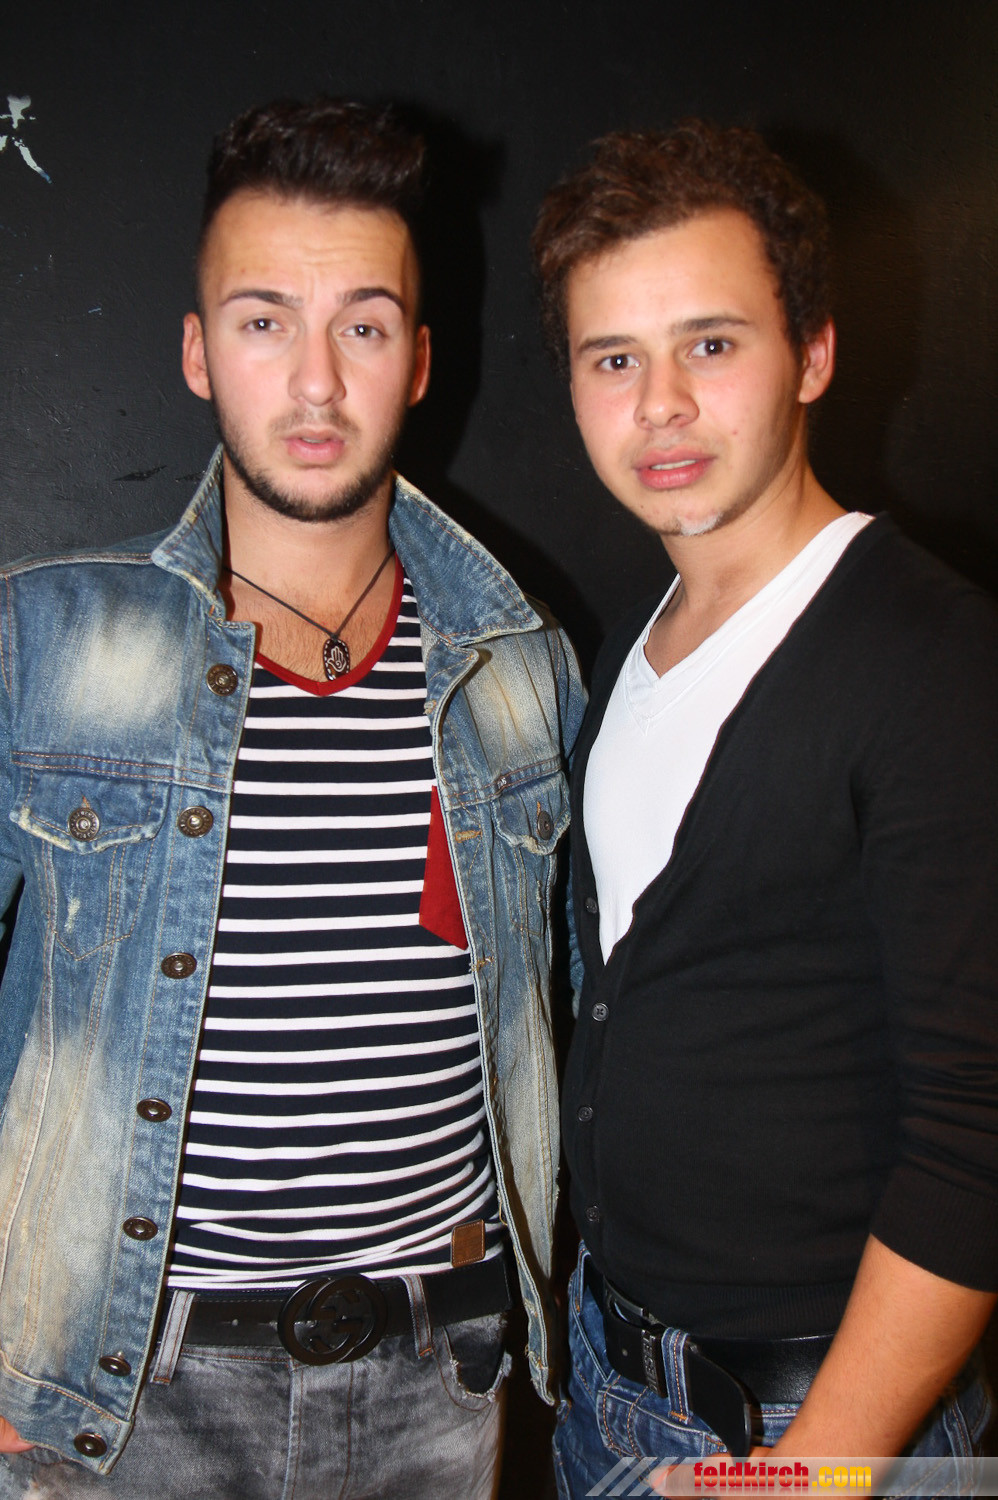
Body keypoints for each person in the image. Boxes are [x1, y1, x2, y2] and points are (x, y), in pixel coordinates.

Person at [0, 97, 585, 1498]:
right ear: (198, 353)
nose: (316, 382)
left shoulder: (521, 669)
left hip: (438, 1387)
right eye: (264, 321)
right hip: (117, 1398)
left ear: (419, 360)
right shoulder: (44, 642)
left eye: (362, 327)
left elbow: (569, 1014)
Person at [531, 120, 998, 1494]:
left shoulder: (933, 659)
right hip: (612, 1390)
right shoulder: (631, 645)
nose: (660, 404)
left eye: (711, 343)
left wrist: (815, 1474)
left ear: (814, 353)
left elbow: (978, 1138)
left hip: (812, 1432)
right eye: (614, 359)